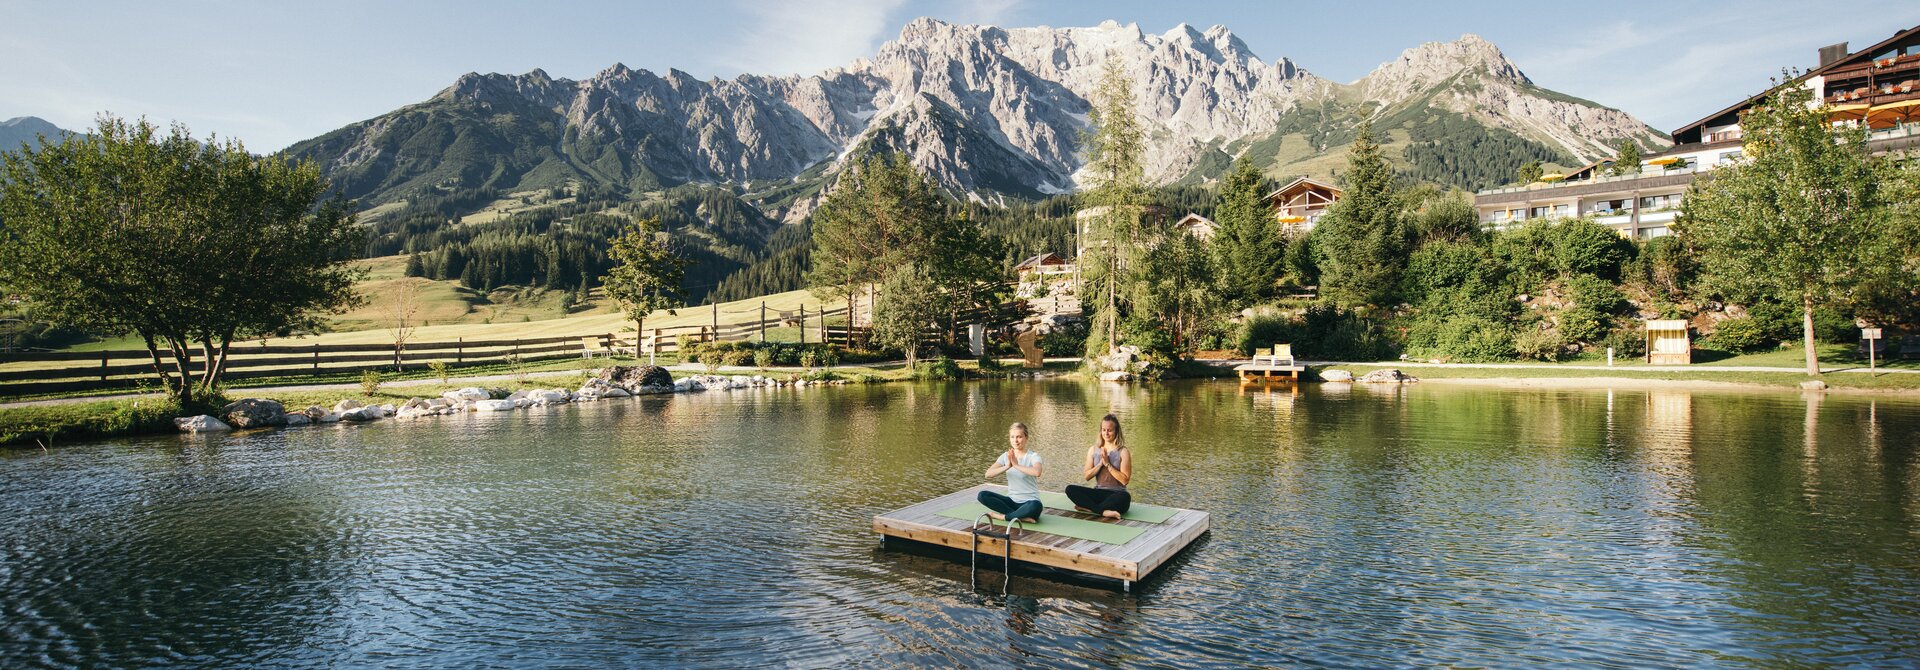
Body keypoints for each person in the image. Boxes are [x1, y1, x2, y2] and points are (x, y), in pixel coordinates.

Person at [1065, 414, 1131, 519]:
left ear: (1116, 431)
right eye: (1103, 430)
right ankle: (1102, 511)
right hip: (1099, 493)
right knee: (1070, 489)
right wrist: (1100, 464)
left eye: (1109, 430)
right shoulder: (1093, 450)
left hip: (1117, 494)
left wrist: (1108, 464)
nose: (1106, 433)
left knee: (1126, 497)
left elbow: (1125, 480)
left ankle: (1090, 508)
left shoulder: (1123, 451)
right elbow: (1087, 476)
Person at [979, 422, 1044, 523]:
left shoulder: (1033, 456)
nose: (1015, 441)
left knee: (1036, 506)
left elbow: (1037, 472)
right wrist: (1007, 466)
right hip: (1011, 502)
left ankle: (1003, 517)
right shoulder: (1006, 456)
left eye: (1019, 437)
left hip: (1029, 503)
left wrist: (1016, 465)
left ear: (1026, 438)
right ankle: (1020, 517)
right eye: (1012, 437)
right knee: (982, 495)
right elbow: (988, 474)